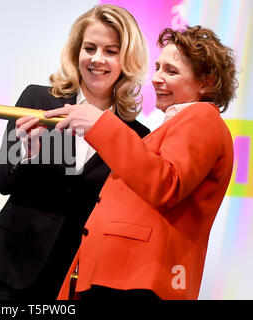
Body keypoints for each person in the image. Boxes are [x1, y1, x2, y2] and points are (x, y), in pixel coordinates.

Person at [0, 4, 151, 300]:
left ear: (126, 59)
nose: (97, 59)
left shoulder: (136, 136)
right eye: (89, 48)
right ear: (76, 52)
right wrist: (25, 153)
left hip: (71, 282)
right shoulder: (37, 99)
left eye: (110, 51)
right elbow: (1, 181)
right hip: (6, 271)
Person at [49, 25, 237, 300]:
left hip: (138, 280)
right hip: (119, 276)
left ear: (206, 82)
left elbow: (166, 184)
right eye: (158, 67)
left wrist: (102, 125)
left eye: (171, 71)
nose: (157, 78)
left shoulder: (201, 118)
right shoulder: (176, 124)